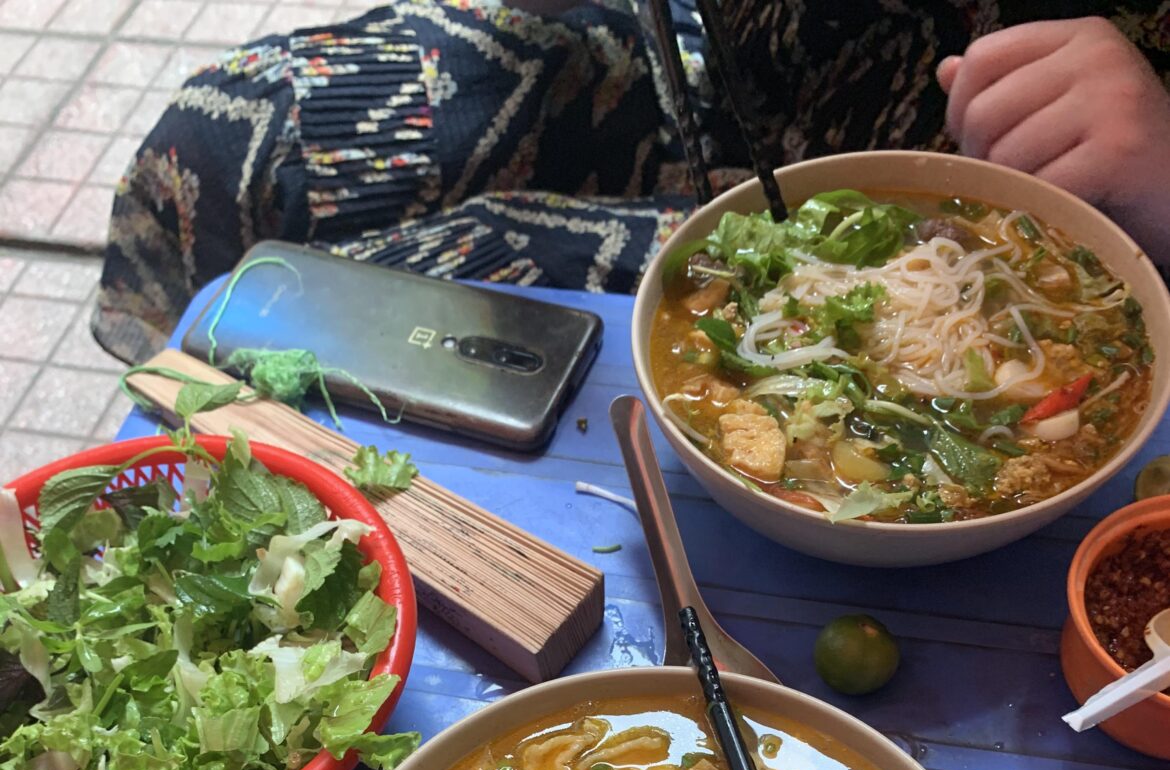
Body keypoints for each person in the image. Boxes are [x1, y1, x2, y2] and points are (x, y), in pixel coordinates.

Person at [94, 4, 1170, 366]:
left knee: (409, 282)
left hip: (1030, 226)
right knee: (234, 137)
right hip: (730, 86)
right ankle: (175, 498)